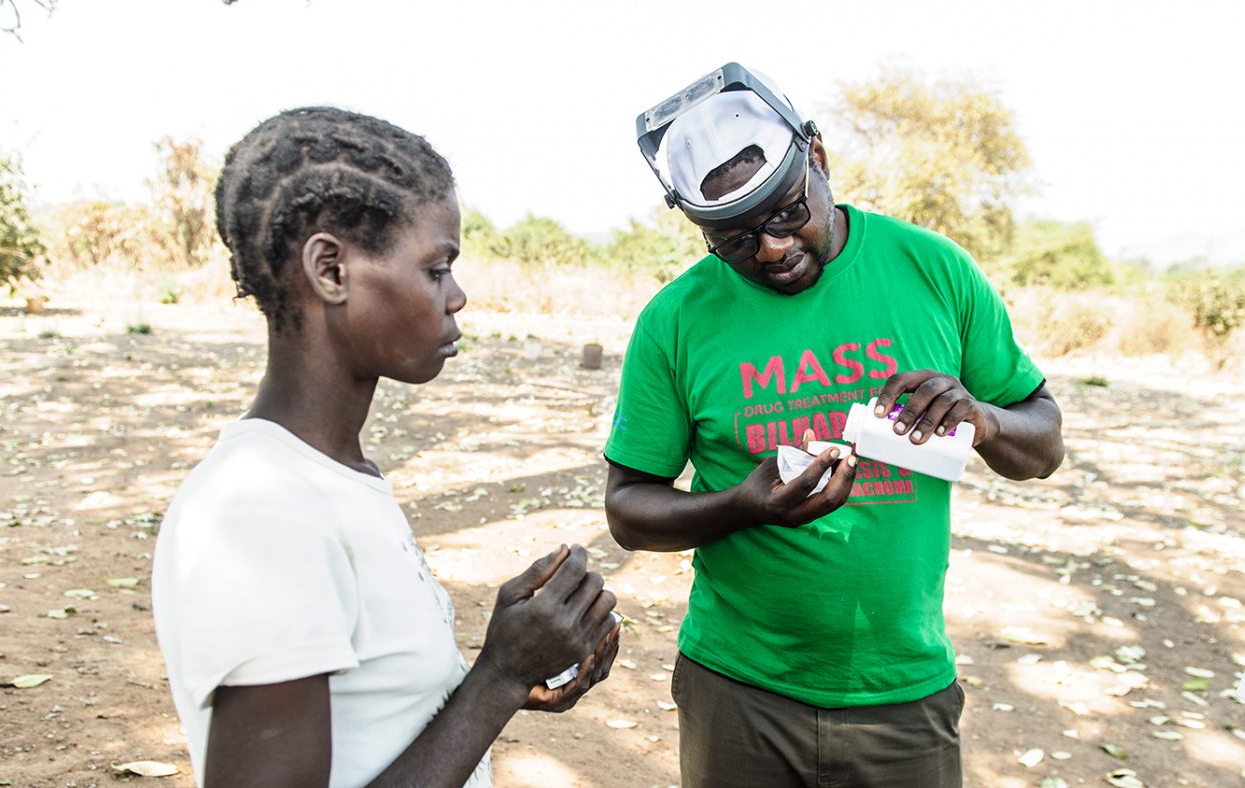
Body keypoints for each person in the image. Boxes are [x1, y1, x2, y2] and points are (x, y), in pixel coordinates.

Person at [605, 64, 1065, 787]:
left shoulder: (932, 270)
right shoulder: (675, 321)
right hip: (738, 691)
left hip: (903, 695)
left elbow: (1044, 444)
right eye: (731, 239)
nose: (771, 249)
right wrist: (740, 507)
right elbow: (628, 511)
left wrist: (983, 420)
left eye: (787, 213)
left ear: (816, 156)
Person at [151, 107, 620, 788]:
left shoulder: (335, 477)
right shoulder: (261, 512)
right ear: (331, 271)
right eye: (436, 268)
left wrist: (514, 670)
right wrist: (497, 677)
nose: (457, 296)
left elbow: (374, 724)